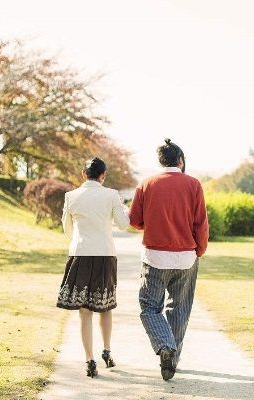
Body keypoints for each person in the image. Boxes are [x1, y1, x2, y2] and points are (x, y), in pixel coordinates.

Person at [129, 138, 209, 381]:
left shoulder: (146, 184)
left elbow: (134, 220)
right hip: (186, 256)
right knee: (180, 309)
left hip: (155, 257)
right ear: (180, 161)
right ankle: (171, 360)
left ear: (160, 161)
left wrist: (151, 222)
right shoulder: (194, 184)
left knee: (150, 307)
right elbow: (200, 223)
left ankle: (165, 346)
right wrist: (200, 250)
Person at [56, 157, 129, 378]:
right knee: (105, 307)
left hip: (80, 253)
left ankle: (89, 360)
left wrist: (79, 239)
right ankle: (106, 351)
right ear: (103, 175)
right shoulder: (111, 195)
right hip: (105, 254)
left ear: (83, 173)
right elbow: (124, 225)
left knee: (84, 311)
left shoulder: (71, 196)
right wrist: (122, 208)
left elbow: (67, 229)